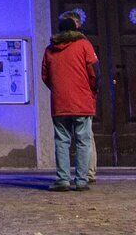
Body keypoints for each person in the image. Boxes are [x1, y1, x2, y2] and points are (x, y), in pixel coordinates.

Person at [41, 11, 99, 192]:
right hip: (82, 101)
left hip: (60, 103)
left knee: (61, 140)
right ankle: (81, 181)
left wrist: (58, 90)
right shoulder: (84, 45)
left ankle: (63, 180)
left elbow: (45, 76)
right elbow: (94, 72)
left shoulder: (50, 49)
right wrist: (92, 90)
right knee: (83, 141)